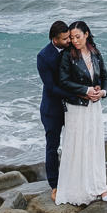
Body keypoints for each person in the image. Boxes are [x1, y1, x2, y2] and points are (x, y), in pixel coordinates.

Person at [54, 20, 107, 204]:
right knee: (77, 145)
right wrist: (85, 90)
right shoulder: (66, 56)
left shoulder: (95, 52)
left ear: (86, 34)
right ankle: (77, 188)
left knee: (94, 145)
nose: (75, 40)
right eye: (72, 37)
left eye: (78, 36)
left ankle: (100, 187)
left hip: (95, 106)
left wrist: (102, 92)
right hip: (76, 107)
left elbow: (104, 77)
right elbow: (63, 81)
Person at [36, 20, 72, 200]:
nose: (69, 41)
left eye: (69, 37)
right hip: (52, 109)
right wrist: (76, 94)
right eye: (65, 39)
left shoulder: (72, 48)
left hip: (73, 108)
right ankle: (55, 185)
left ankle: (74, 178)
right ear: (54, 39)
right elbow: (50, 87)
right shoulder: (43, 56)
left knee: (74, 144)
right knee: (52, 147)